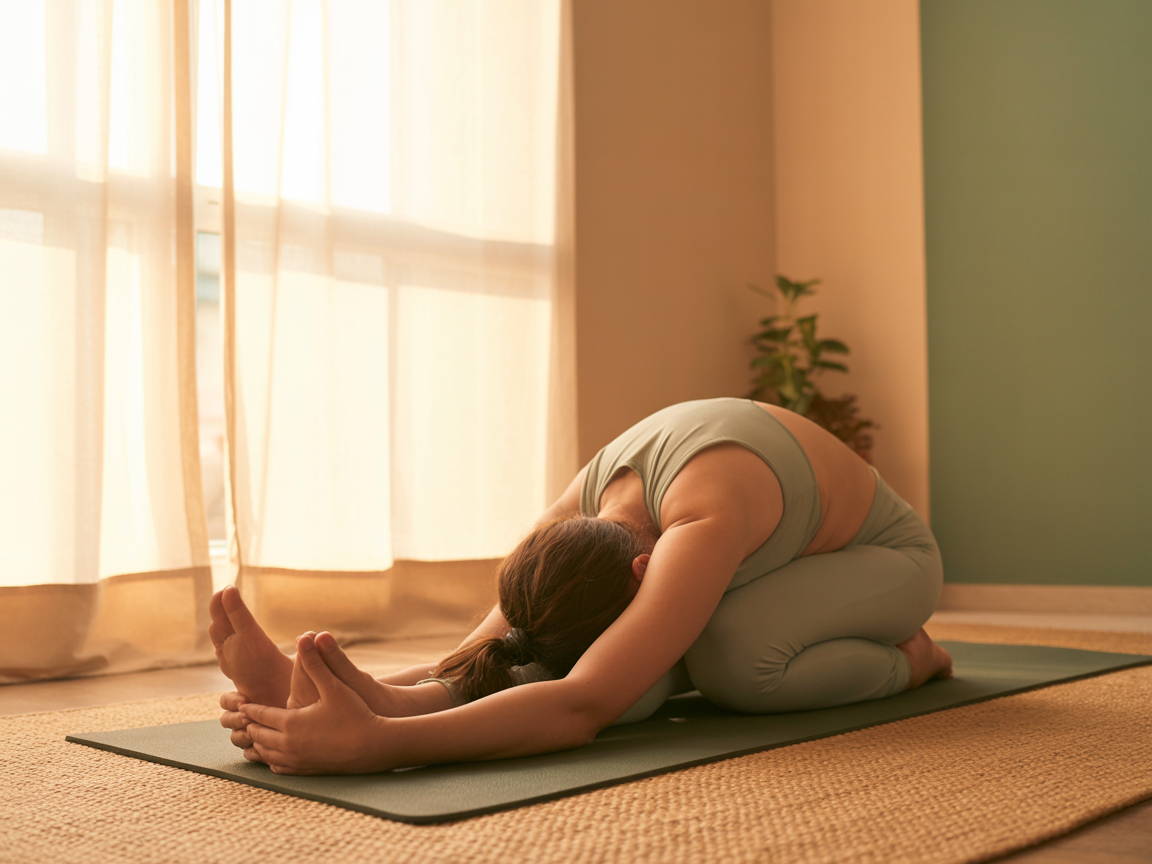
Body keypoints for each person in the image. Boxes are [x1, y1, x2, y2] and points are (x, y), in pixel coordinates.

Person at [212, 398, 952, 775]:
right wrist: (374, 692)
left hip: (887, 560)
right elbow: (502, 645)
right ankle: (340, 696)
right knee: (641, 678)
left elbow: (582, 703)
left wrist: (383, 746)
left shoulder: (701, 519)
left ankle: (914, 658)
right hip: (777, 562)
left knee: (733, 659)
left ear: (645, 572)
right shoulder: (576, 513)